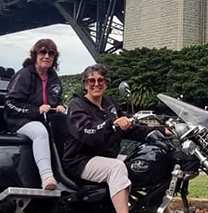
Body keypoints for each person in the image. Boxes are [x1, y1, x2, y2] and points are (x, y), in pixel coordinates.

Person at [63, 64, 173, 213]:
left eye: (101, 80)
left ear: (106, 84)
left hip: (106, 157)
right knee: (117, 168)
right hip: (81, 160)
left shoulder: (109, 103)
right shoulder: (77, 106)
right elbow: (87, 134)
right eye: (91, 81)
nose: (96, 84)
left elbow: (130, 126)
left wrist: (160, 130)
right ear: (85, 84)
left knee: (145, 165)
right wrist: (111, 124)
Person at [4, 38, 66, 190]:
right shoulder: (24, 74)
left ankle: (70, 174)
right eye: (42, 52)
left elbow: (56, 99)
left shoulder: (53, 77)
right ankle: (47, 177)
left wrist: (60, 106)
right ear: (35, 55)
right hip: (20, 121)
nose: (47, 56)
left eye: (51, 53)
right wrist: (36, 110)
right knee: (40, 132)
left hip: (46, 119)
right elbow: (10, 103)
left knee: (69, 125)